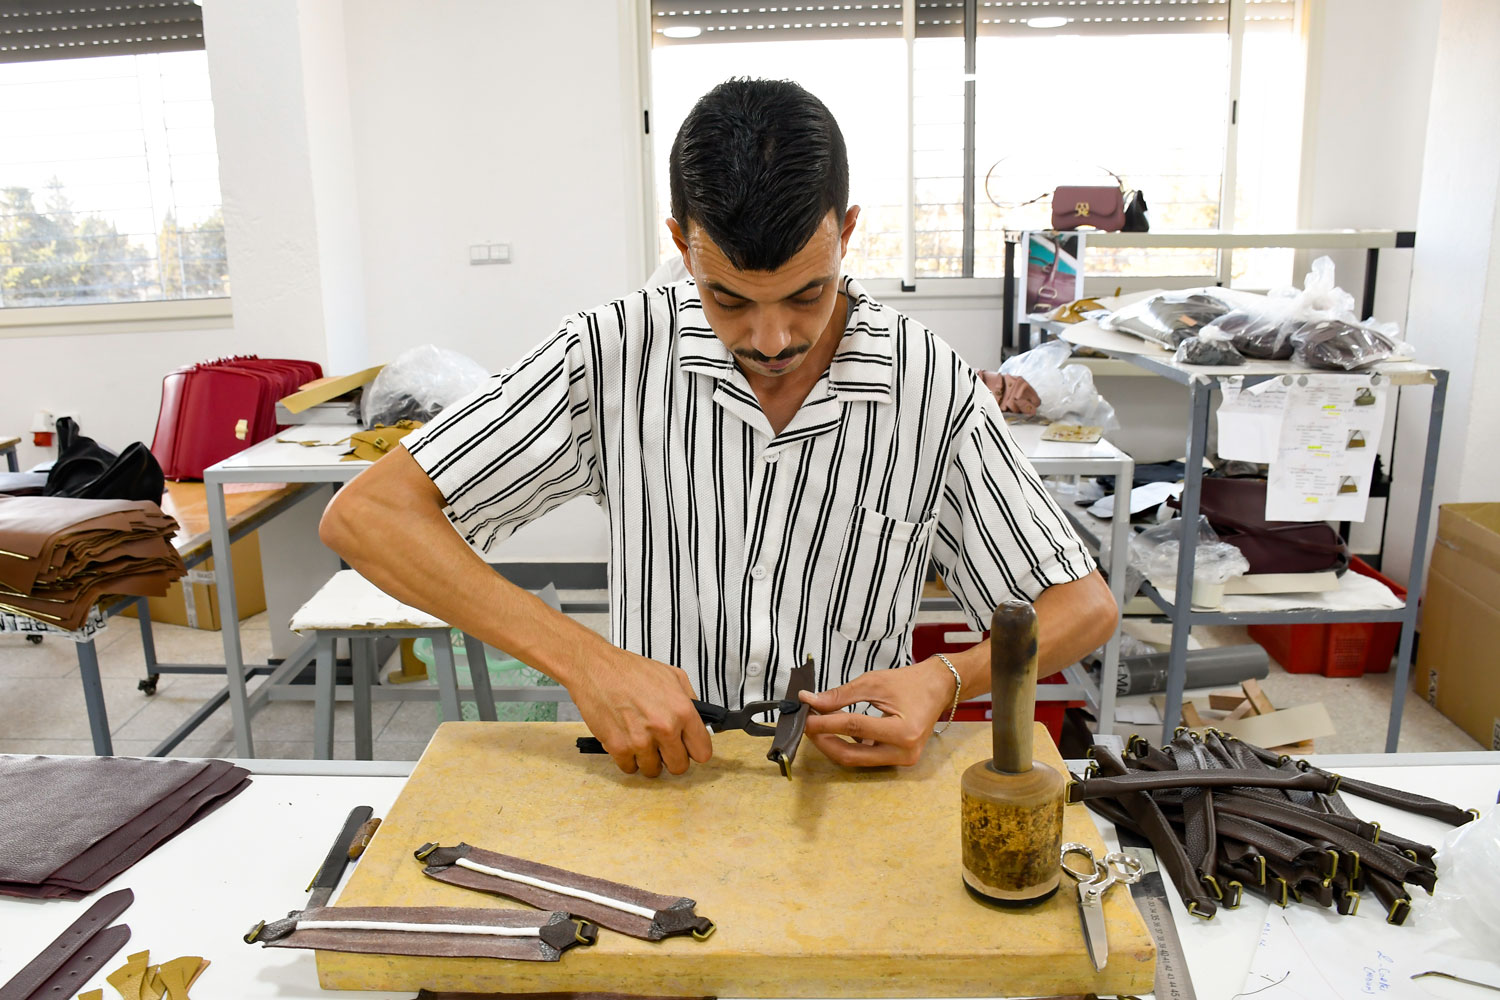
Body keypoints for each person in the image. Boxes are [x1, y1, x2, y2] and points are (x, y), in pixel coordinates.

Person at [320, 78, 1117, 778]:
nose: (772, 340)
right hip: (658, 774)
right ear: (681, 243)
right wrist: (584, 662)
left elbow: (1083, 605)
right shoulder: (614, 354)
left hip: (845, 784)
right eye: (730, 299)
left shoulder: (925, 385)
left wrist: (942, 679)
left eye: (807, 294)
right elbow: (368, 516)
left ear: (847, 233)